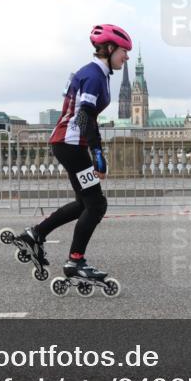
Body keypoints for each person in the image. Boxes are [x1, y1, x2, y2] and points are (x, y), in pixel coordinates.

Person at [19, 24, 132, 282]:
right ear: (109, 48)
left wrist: (90, 145)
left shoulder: (96, 73)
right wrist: (97, 154)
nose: (126, 57)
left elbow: (83, 115)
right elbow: (84, 116)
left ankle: (36, 234)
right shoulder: (93, 75)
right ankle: (75, 261)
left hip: (69, 143)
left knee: (85, 203)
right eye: (124, 51)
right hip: (70, 144)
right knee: (96, 204)